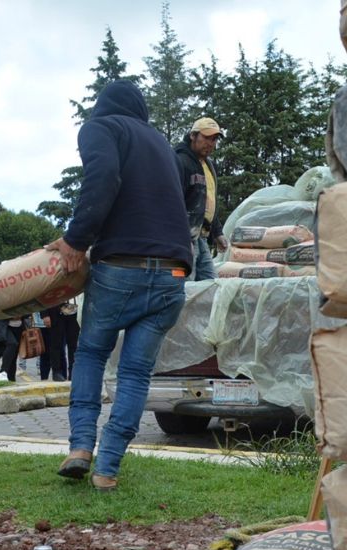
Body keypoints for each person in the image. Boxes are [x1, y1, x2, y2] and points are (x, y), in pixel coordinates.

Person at [46, 80, 193, 491]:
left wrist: (76, 240)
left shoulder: (101, 127)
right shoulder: (161, 142)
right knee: (134, 373)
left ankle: (79, 448)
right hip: (173, 273)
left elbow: (103, 178)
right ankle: (107, 469)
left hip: (121, 267)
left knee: (91, 353)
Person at [176, 117, 228, 281]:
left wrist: (217, 232)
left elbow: (206, 204)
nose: (210, 143)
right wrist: (183, 239)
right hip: (184, 238)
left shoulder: (208, 165)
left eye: (214, 139)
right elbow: (173, 202)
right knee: (185, 285)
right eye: (206, 137)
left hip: (202, 237)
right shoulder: (180, 161)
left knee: (209, 285)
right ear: (193, 135)